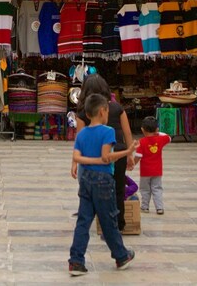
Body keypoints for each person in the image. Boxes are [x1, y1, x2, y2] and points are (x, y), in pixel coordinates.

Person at [68, 93, 135, 276]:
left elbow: (76, 157)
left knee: (83, 221)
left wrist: (89, 161)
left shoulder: (82, 134)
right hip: (103, 181)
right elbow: (106, 157)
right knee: (109, 221)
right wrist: (127, 151)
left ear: (88, 114)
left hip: (86, 180)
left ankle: (76, 261)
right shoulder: (108, 131)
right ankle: (121, 256)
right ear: (103, 111)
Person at [74, 75, 135, 234]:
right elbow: (127, 133)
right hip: (119, 152)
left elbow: (79, 140)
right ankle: (119, 223)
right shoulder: (117, 107)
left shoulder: (83, 113)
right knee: (119, 189)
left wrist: (75, 163)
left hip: (96, 158)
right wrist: (130, 155)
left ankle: (99, 220)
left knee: (96, 190)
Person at [135, 116, 170, 214]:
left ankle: (145, 207)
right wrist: (158, 133)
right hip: (157, 171)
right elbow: (168, 137)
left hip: (145, 172)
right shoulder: (160, 140)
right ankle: (159, 208)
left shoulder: (141, 142)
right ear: (156, 129)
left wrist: (132, 164)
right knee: (157, 188)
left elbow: (138, 156)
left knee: (145, 189)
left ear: (142, 129)